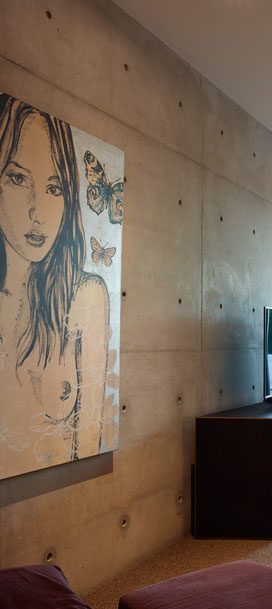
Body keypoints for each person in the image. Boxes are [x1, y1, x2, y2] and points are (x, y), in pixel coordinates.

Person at [0, 93, 110, 477]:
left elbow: (91, 437)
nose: (37, 211)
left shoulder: (86, 296)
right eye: (17, 179)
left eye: (53, 188)